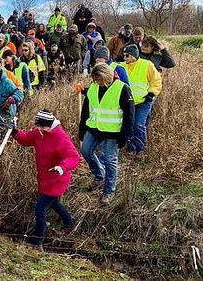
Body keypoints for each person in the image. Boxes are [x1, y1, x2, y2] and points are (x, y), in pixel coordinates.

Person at [10, 110, 81, 250]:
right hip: (45, 177)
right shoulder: (39, 133)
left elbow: (74, 156)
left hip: (57, 179)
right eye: (39, 126)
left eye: (43, 127)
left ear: (50, 125)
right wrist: (14, 132)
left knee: (40, 208)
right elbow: (26, 139)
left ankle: (37, 241)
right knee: (54, 203)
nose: (40, 129)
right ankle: (70, 223)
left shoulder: (60, 137)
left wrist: (61, 167)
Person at [79, 64, 134, 205]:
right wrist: (82, 129)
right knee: (85, 151)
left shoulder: (122, 88)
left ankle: (109, 191)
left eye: (99, 79)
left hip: (113, 132)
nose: (97, 82)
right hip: (94, 128)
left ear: (107, 76)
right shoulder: (93, 87)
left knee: (110, 160)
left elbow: (129, 115)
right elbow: (86, 109)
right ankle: (99, 174)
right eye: (95, 79)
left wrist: (124, 136)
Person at [120, 45, 162, 156]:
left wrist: (152, 93)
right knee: (130, 124)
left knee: (138, 124)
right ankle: (131, 148)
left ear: (134, 55)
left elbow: (156, 80)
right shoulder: (121, 66)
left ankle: (140, 148)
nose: (125, 58)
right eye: (123, 55)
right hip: (128, 103)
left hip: (144, 101)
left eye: (127, 55)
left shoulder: (147, 64)